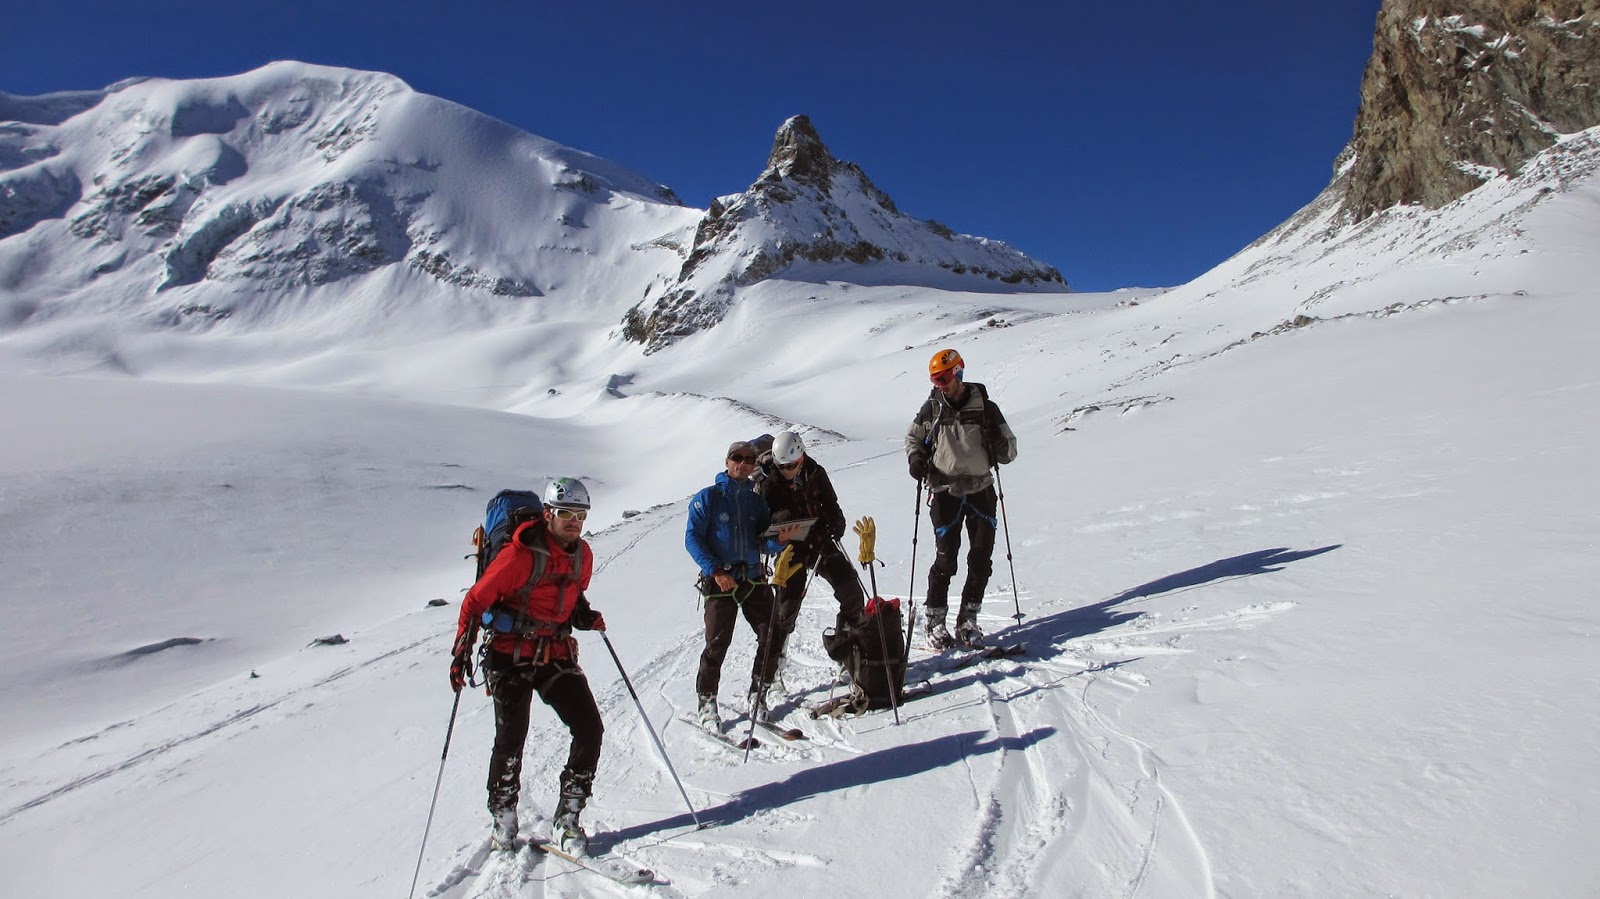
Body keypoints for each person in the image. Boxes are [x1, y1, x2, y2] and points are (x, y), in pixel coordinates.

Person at [451, 477, 607, 855]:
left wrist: (585, 617)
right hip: (509, 655)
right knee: (511, 739)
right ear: (548, 514)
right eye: (566, 513)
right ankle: (503, 818)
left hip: (554, 652)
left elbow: (573, 597)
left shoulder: (582, 555)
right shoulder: (518, 556)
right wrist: (461, 652)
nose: (574, 522)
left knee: (590, 729)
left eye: (580, 515)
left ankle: (568, 818)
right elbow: (475, 602)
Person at [904, 349, 1018, 649]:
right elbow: (913, 438)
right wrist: (916, 459)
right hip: (945, 490)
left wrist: (996, 441)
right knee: (946, 558)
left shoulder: (986, 409)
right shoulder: (932, 409)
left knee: (980, 558)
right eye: (935, 380)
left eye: (943, 378)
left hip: (980, 489)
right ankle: (935, 621)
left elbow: (1010, 451)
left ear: (958, 373)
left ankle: (968, 619)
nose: (939, 385)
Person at [685, 441, 799, 728]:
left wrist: (779, 541)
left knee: (772, 634)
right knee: (717, 644)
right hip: (720, 580)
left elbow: (762, 542)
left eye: (749, 460)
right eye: (738, 457)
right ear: (727, 461)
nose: (743, 463)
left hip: (752, 577)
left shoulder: (755, 502)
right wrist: (714, 570)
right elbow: (692, 538)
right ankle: (707, 702)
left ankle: (759, 694)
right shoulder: (708, 497)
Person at [752, 430, 866, 697]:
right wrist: (782, 523)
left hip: (818, 540)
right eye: (782, 466)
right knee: (786, 610)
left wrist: (836, 523)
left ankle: (845, 652)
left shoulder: (815, 472)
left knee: (851, 592)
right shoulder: (768, 485)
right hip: (789, 549)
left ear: (801, 458)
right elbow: (762, 524)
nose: (786, 471)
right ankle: (774, 670)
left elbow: (831, 503)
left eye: (791, 465)